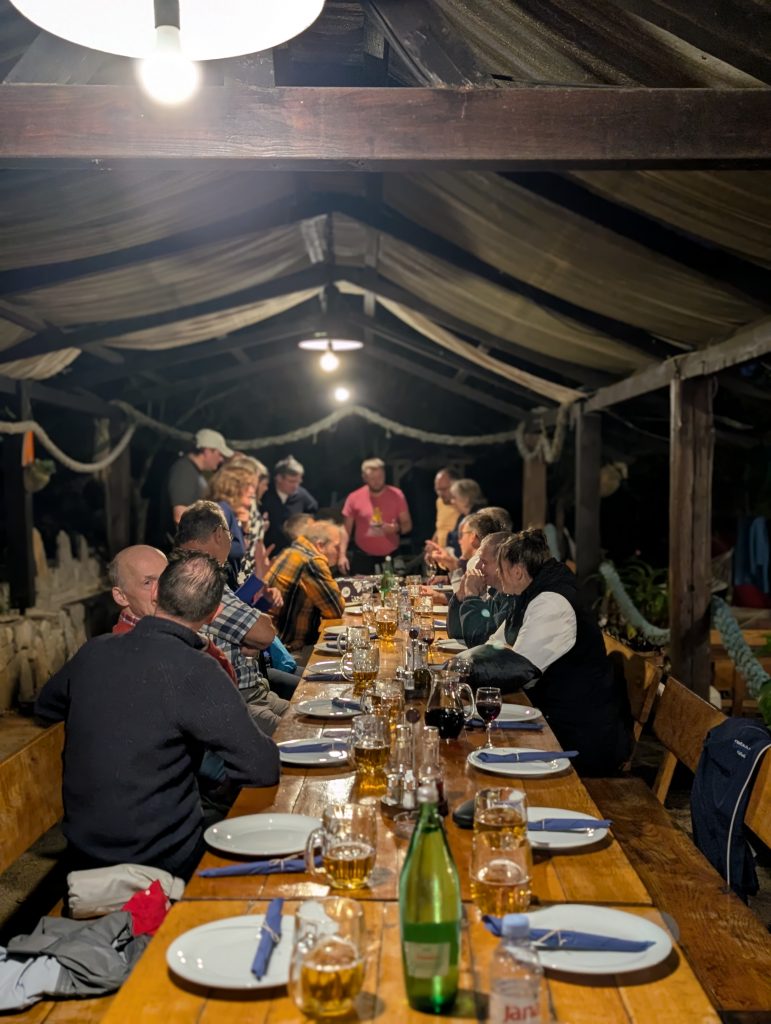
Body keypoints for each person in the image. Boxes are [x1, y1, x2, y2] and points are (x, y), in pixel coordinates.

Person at [35, 549, 280, 879]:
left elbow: (46, 705)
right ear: (211, 615)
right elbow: (262, 766)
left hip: (86, 853)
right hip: (160, 859)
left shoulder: (95, 651)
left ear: (159, 594)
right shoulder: (196, 668)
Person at [462, 528, 631, 776]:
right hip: (553, 718)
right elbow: (493, 644)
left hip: (580, 738)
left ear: (518, 572)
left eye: (501, 569)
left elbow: (516, 669)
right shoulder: (531, 592)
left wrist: (457, 670)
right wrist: (462, 665)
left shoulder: (551, 602)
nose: (497, 575)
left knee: (481, 752)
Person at [175, 501, 290, 734]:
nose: (235, 540)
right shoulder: (197, 577)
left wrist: (252, 639)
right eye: (231, 533)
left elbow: (254, 632)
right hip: (237, 702)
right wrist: (251, 638)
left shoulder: (200, 570)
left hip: (256, 691)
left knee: (316, 713)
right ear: (219, 534)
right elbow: (264, 633)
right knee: (307, 731)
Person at [108, 543, 236, 682]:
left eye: (166, 578)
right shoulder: (129, 652)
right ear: (121, 596)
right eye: (147, 583)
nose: (161, 589)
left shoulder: (174, 628)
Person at [265, 520, 346, 649]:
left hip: (271, 640)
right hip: (288, 648)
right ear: (320, 545)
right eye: (336, 547)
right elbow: (336, 609)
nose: (340, 551)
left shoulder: (294, 550)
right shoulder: (312, 561)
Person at [341, 458, 412, 575]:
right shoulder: (354, 497)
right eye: (372, 478)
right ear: (364, 477)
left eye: (380, 477)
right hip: (363, 557)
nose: (377, 482)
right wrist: (342, 555)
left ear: (384, 474)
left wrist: (396, 529)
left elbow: (407, 524)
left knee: (393, 591)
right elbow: (345, 529)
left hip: (390, 556)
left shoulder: (397, 495)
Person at [446, 531, 516, 648]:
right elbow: (456, 633)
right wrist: (460, 596)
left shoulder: (513, 600)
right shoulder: (498, 595)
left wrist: (471, 596)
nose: (478, 567)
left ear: (502, 564)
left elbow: (478, 640)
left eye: (484, 562)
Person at [165, 428, 233, 533]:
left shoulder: (195, 472)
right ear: (207, 451)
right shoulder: (184, 470)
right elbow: (179, 516)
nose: (221, 459)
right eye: (219, 454)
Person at [262, 455, 319, 557]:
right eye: (291, 481)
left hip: (292, 552)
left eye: (298, 482)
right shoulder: (265, 494)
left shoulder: (302, 496)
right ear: (279, 478)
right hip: (266, 551)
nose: (295, 486)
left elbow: (313, 513)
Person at [433, 467, 459, 549]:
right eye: (437, 489)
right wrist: (432, 544)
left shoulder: (463, 504)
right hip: (442, 555)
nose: (440, 493)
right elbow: (440, 528)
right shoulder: (440, 501)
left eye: (444, 489)